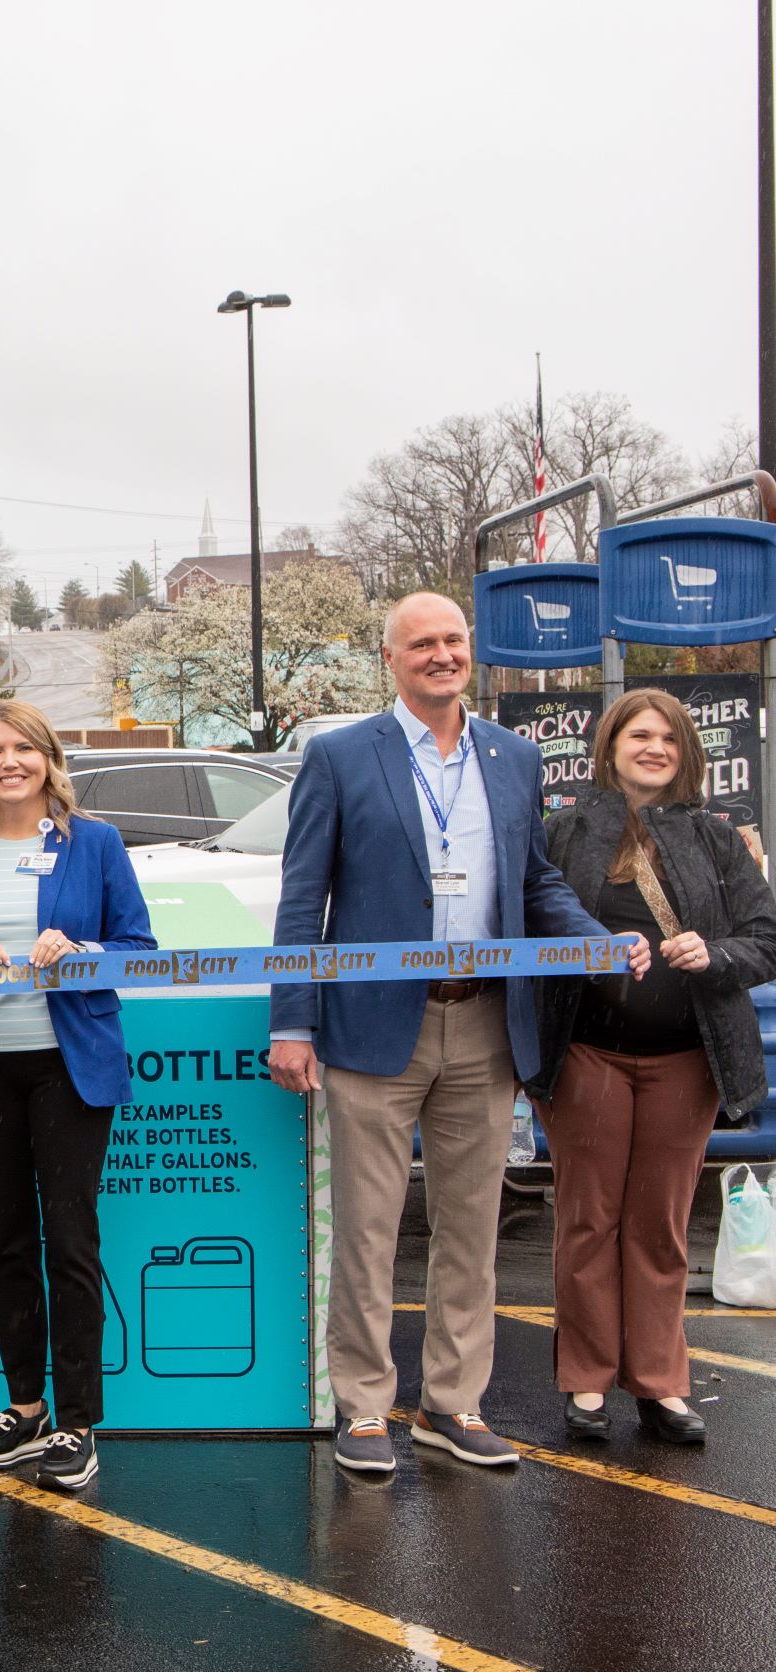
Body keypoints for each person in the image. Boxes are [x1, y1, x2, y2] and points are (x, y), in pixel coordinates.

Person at [271, 592, 643, 1475]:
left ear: (469, 652)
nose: (442, 655)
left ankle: (451, 1402)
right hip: (370, 1026)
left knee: (470, 1227)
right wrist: (293, 1020)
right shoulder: (337, 758)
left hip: (484, 1021)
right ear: (391, 660)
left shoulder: (512, 758)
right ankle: (363, 1407)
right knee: (367, 1229)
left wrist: (593, 942)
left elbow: (535, 882)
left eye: (453, 641)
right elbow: (300, 903)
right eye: (423, 644)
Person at [0, 697, 153, 1492]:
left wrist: (79, 949)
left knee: (70, 1243)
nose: (9, 763)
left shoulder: (97, 844)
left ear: (49, 758)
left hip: (67, 1067)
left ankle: (78, 1422)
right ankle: (25, 1406)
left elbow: (138, 948)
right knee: (8, 1242)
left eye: (24, 750)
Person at [528, 691, 776, 1444]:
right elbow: (531, 923)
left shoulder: (718, 839)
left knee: (659, 1226)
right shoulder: (564, 832)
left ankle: (662, 1386)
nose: (655, 747)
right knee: (588, 1221)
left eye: (670, 737)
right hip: (586, 1054)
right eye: (640, 734)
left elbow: (765, 936)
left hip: (684, 1062)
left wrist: (717, 952)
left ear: (687, 753)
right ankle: (588, 1382)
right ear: (609, 745)